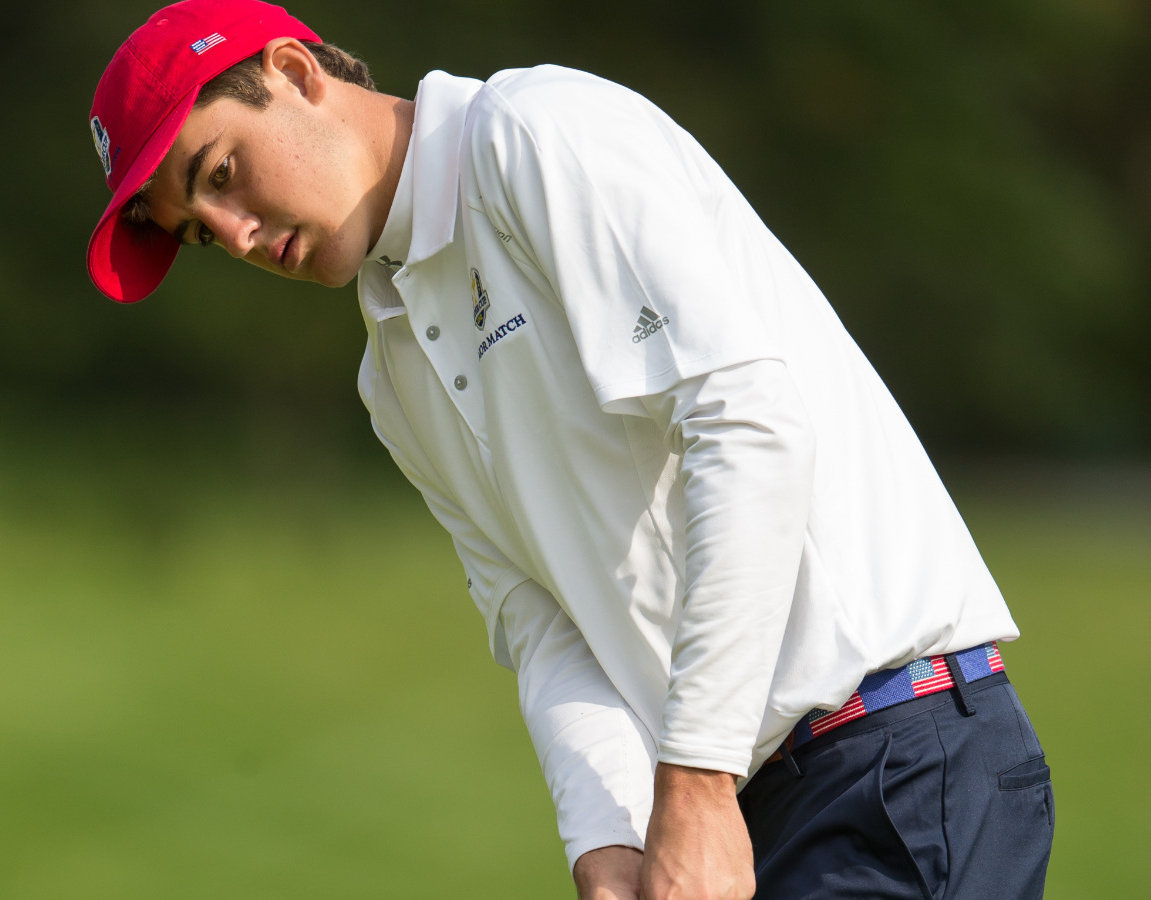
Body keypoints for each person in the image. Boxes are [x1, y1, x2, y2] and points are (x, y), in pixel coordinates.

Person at [84, 2, 1057, 898]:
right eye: (200, 233)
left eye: (221, 173)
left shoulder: (531, 134)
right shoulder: (392, 376)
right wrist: (605, 842)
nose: (235, 234)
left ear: (296, 74)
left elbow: (747, 426)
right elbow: (541, 615)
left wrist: (694, 785)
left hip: (891, 761)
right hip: (743, 807)